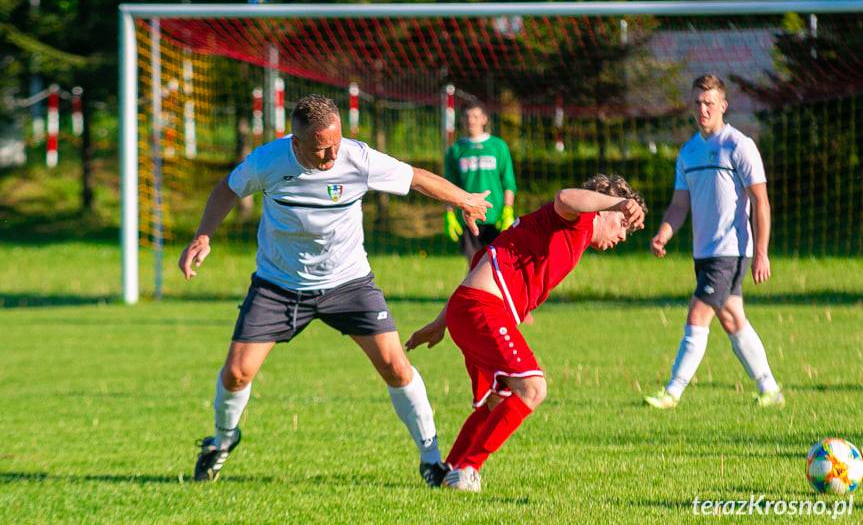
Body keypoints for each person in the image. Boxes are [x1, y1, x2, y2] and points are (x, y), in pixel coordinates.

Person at [179, 94, 492, 485]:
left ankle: (431, 460)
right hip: (279, 284)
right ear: (296, 143)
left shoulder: (357, 158)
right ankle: (222, 441)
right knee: (237, 373)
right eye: (320, 148)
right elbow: (227, 188)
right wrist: (203, 236)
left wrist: (463, 199)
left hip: (348, 283)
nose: (330, 156)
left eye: (336, 143)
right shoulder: (269, 161)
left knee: (395, 365)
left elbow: (415, 177)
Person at [406, 174, 646, 491]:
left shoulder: (565, 230)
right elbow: (564, 195)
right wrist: (619, 202)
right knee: (533, 388)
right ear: (601, 208)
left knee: (499, 399)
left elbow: (481, 271)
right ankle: (468, 471)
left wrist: (439, 324)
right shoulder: (580, 219)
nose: (623, 235)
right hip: (482, 309)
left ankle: (447, 470)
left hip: (470, 308)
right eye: (622, 223)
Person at [643, 74, 784, 410]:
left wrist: (761, 252)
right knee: (733, 318)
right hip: (704, 252)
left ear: (723, 105)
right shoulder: (689, 151)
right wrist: (664, 232)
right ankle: (770, 389)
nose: (702, 109)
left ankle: (672, 392)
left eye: (709, 103)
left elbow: (760, 201)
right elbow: (680, 204)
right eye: (697, 103)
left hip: (731, 250)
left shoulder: (739, 145)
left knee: (698, 313)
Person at [443, 100, 517, 263]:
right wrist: (449, 213)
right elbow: (447, 186)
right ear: (462, 119)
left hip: (495, 217)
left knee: (500, 264)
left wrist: (508, 210)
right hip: (467, 216)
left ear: (484, 119)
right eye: (467, 117)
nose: (471, 121)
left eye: (475, 116)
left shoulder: (498, 146)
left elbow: (508, 182)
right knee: (474, 265)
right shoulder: (455, 150)